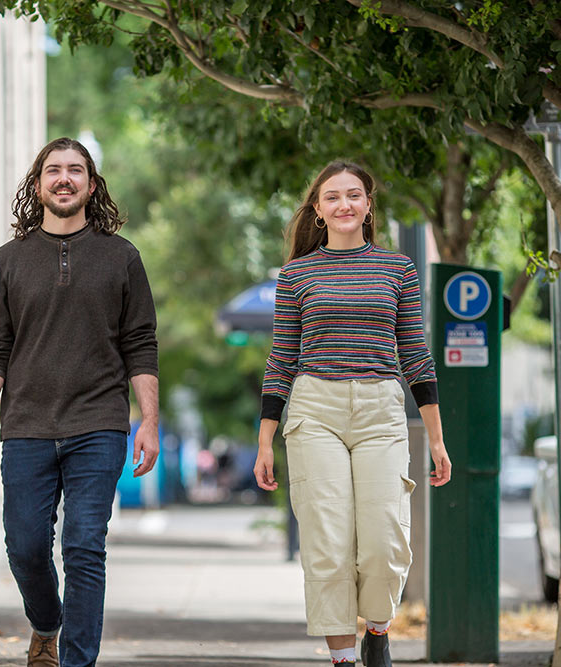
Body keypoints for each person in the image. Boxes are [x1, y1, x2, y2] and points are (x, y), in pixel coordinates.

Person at [0, 137, 160, 667]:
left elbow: (141, 342)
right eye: (54, 170)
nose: (65, 179)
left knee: (83, 545)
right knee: (25, 547)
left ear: (91, 185)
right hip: (26, 426)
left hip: (98, 425)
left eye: (76, 171)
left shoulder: (122, 257)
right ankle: (46, 623)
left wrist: (148, 421)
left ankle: (76, 660)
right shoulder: (7, 261)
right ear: (38, 185)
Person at [253, 161, 451, 667]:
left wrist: (435, 439)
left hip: (381, 408)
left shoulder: (398, 269)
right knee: (327, 542)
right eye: (333, 197)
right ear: (318, 210)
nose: (344, 205)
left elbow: (416, 353)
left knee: (385, 538)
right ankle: (342, 657)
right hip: (314, 409)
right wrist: (265, 441)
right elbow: (282, 358)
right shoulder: (297, 274)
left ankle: (378, 630)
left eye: (354, 195)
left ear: (368, 204)